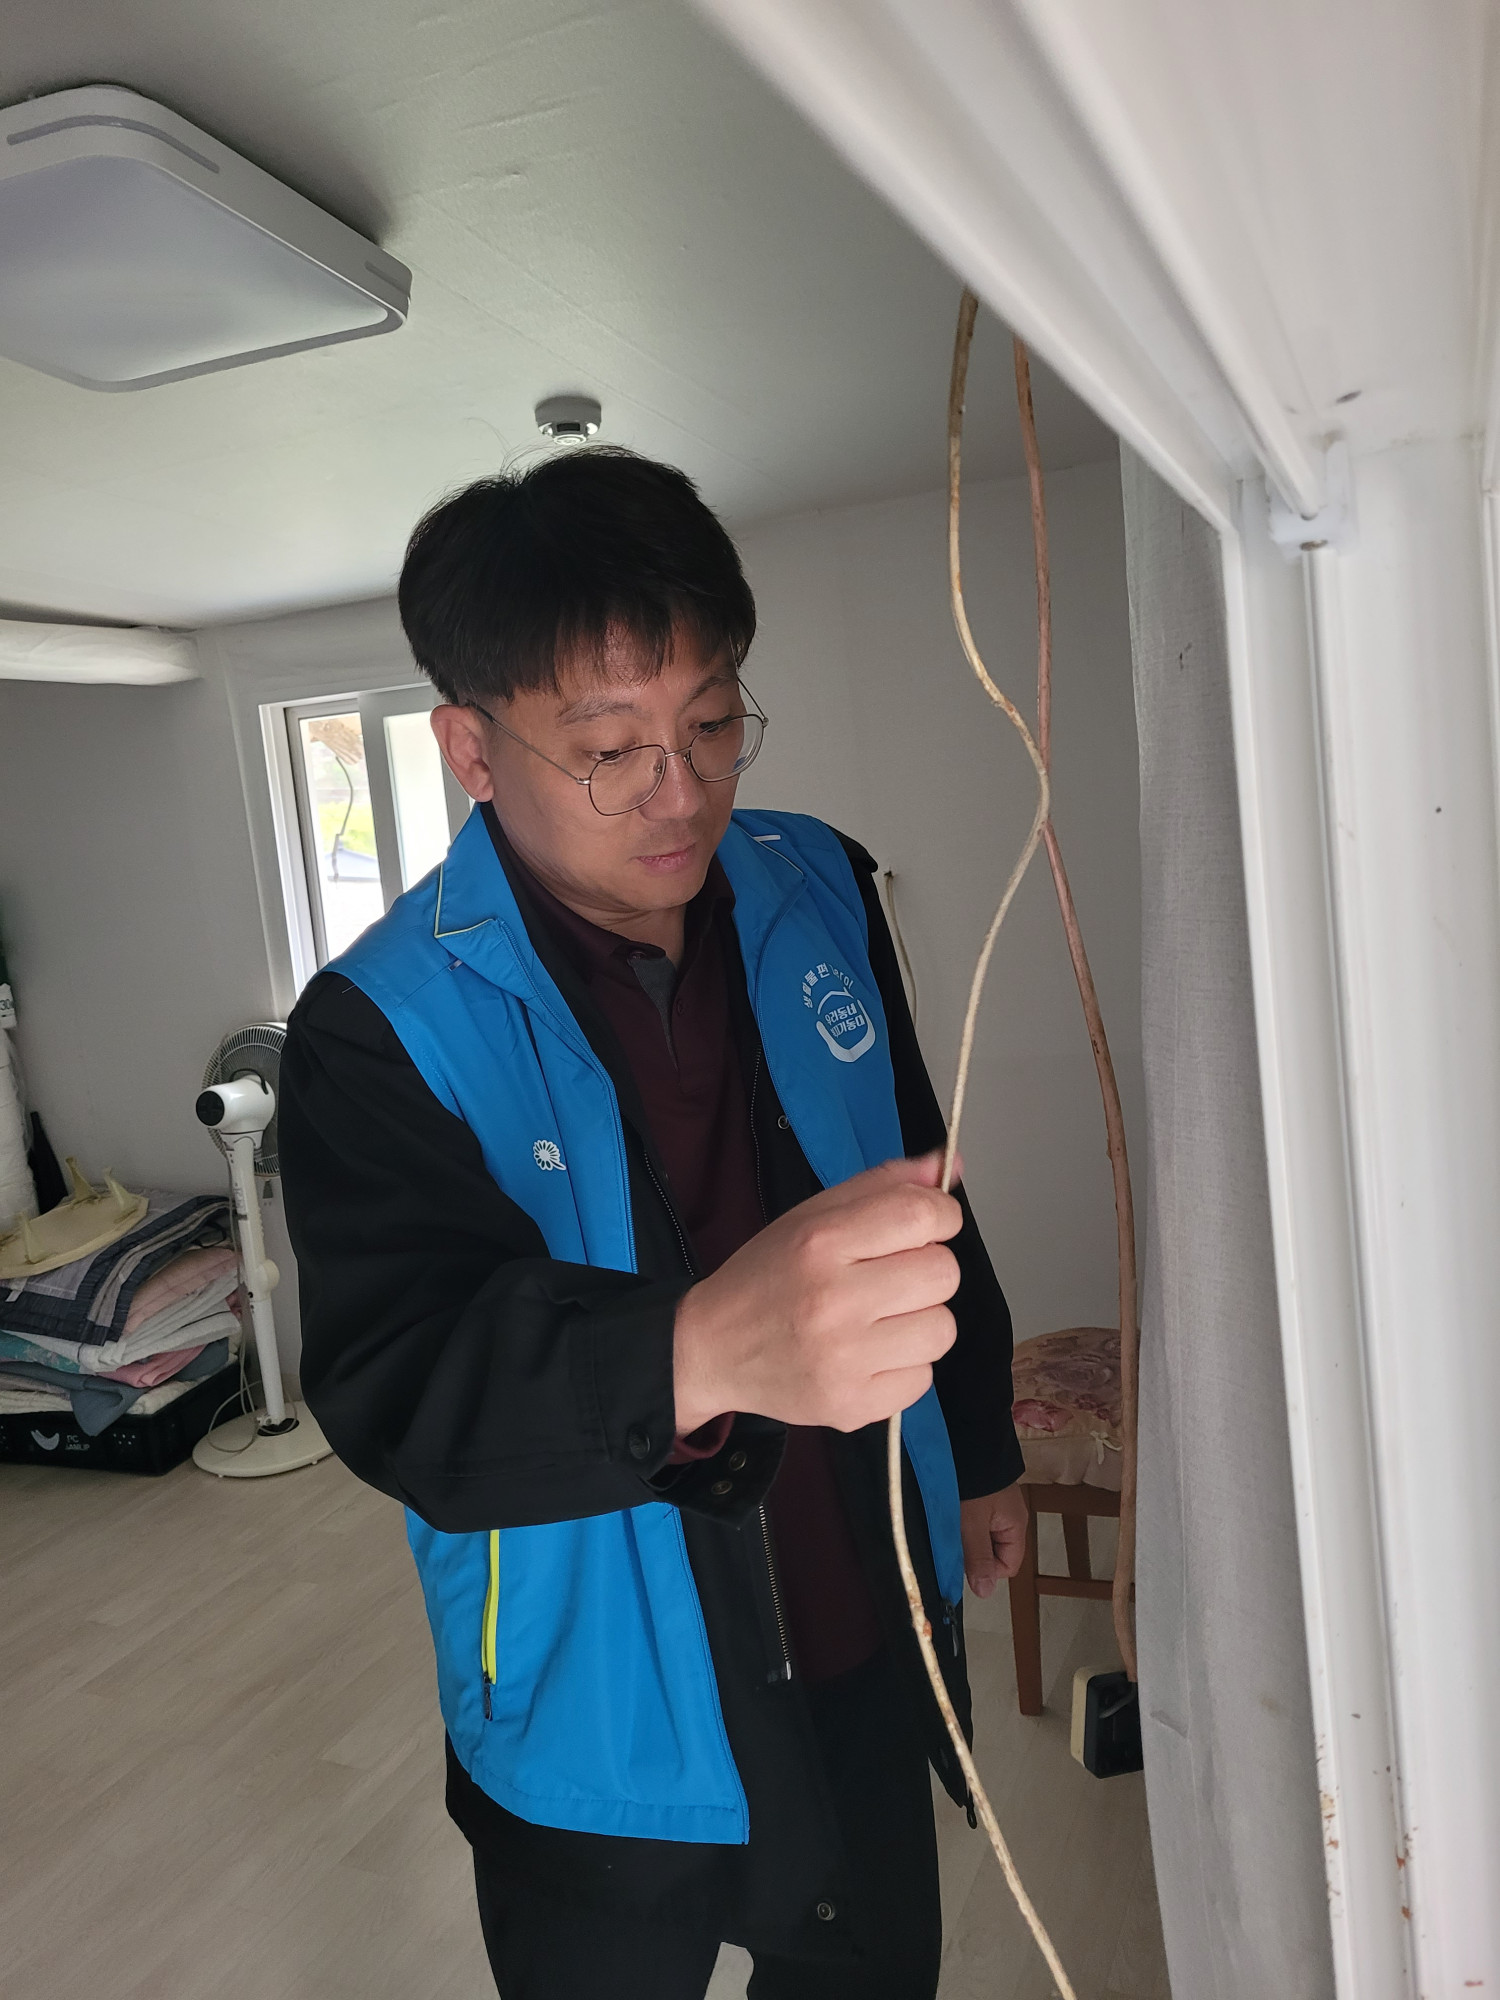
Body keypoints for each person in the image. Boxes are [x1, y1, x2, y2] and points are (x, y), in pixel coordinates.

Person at [278, 447, 1028, 1999]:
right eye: (610, 751)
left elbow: (922, 1187)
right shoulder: (377, 1027)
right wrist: (700, 1348)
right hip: (598, 1705)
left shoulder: (816, 882)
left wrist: (980, 1446)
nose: (682, 793)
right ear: (472, 751)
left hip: (863, 1597)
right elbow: (406, 1392)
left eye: (712, 722)